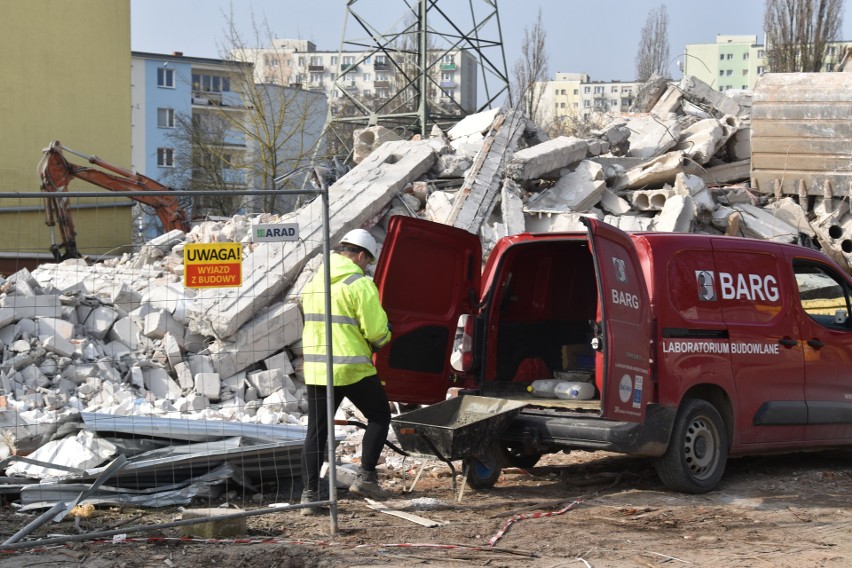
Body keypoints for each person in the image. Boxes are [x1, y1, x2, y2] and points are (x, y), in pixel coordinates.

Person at [299, 228, 393, 515]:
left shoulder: (315, 282)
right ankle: (366, 478)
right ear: (361, 256)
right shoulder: (359, 283)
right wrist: (385, 338)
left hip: (317, 369)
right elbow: (376, 331)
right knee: (379, 414)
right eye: (368, 261)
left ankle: (310, 495)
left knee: (317, 431)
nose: (367, 267)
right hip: (351, 368)